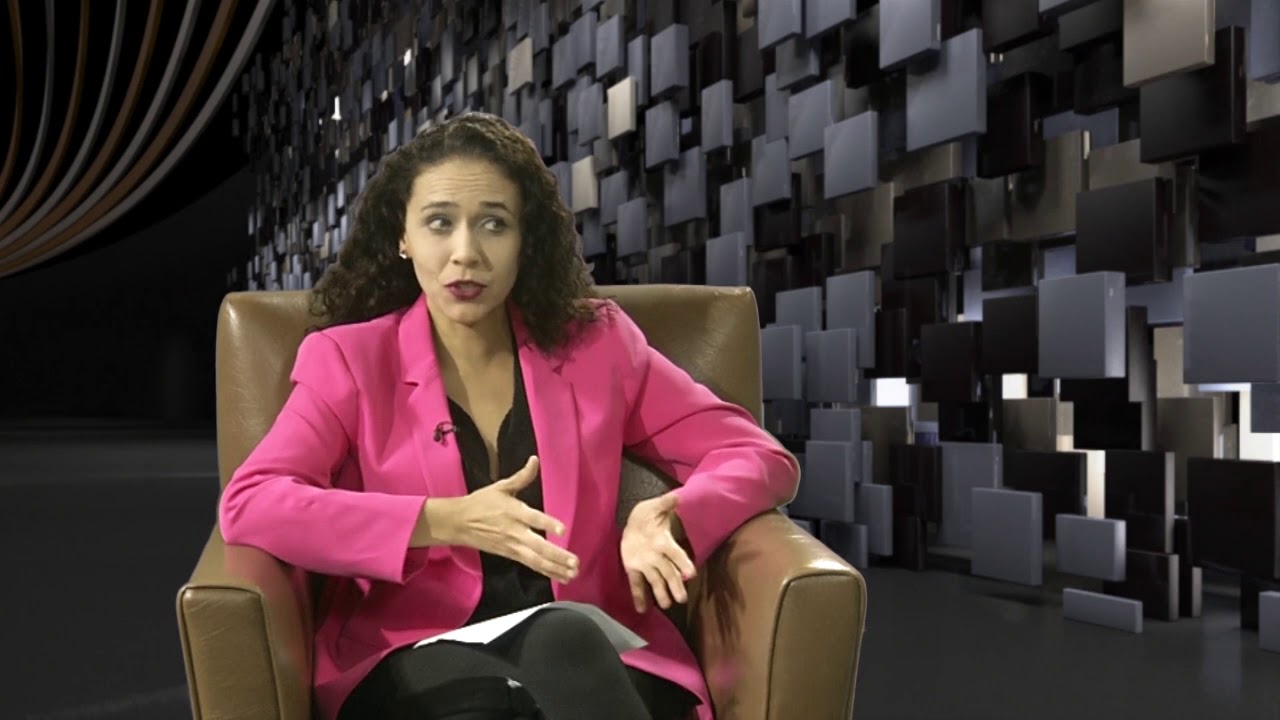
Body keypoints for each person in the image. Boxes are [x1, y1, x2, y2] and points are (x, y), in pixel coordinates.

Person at [218, 111, 801, 720]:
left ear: (525, 238)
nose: (465, 253)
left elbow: (760, 457)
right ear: (402, 236)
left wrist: (673, 515)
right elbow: (252, 503)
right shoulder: (350, 360)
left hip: (593, 655)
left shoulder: (597, 346)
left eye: (494, 224)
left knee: (561, 637)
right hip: (418, 652)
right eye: (439, 223)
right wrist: (442, 520)